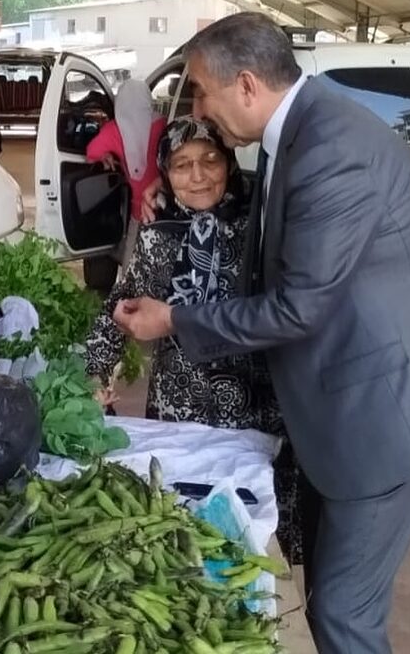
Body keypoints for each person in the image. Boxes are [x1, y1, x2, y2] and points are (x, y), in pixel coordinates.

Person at [113, 12, 410, 654]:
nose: (199, 104)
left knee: (344, 615)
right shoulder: (302, 136)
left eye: (203, 89)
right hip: (343, 417)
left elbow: (296, 308)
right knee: (331, 601)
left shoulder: (327, 148)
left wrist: (174, 317)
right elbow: (390, 246)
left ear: (248, 85)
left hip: (379, 424)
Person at [85, 116, 305, 564]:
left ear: (230, 162)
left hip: (256, 405)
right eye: (182, 165)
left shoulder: (262, 226)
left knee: (250, 531)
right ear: (165, 172)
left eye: (210, 159)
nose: (199, 175)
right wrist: (91, 372)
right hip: (179, 407)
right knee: (180, 529)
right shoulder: (159, 232)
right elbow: (120, 309)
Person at [85, 79, 166, 264]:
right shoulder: (163, 123)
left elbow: (91, 152)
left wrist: (107, 156)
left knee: (131, 262)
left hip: (138, 210)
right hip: (164, 206)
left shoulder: (114, 129)